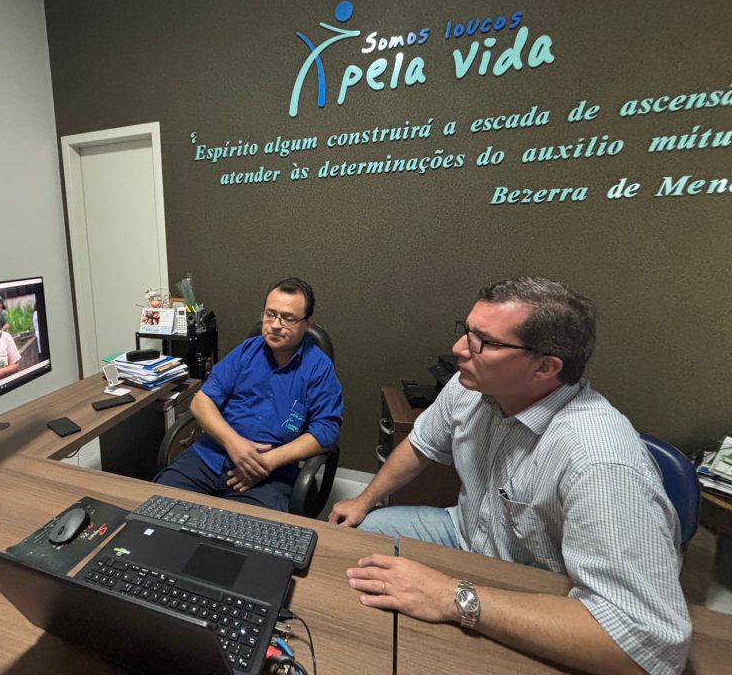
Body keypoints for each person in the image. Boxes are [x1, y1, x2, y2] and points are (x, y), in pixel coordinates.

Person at [329, 277, 690, 675]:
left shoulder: (600, 460)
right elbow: (421, 445)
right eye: (465, 331)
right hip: (465, 532)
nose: (459, 349)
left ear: (546, 367)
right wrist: (363, 500)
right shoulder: (469, 387)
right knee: (359, 539)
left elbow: (646, 645)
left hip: (543, 579)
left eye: (484, 342)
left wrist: (452, 596)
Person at [154, 277, 343, 512]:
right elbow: (202, 402)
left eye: (288, 318)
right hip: (212, 456)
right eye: (270, 314)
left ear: (307, 324)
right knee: (158, 509)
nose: (275, 324)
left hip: (271, 474)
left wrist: (265, 462)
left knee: (243, 538)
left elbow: (325, 432)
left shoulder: (319, 368)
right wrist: (235, 444)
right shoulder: (246, 351)